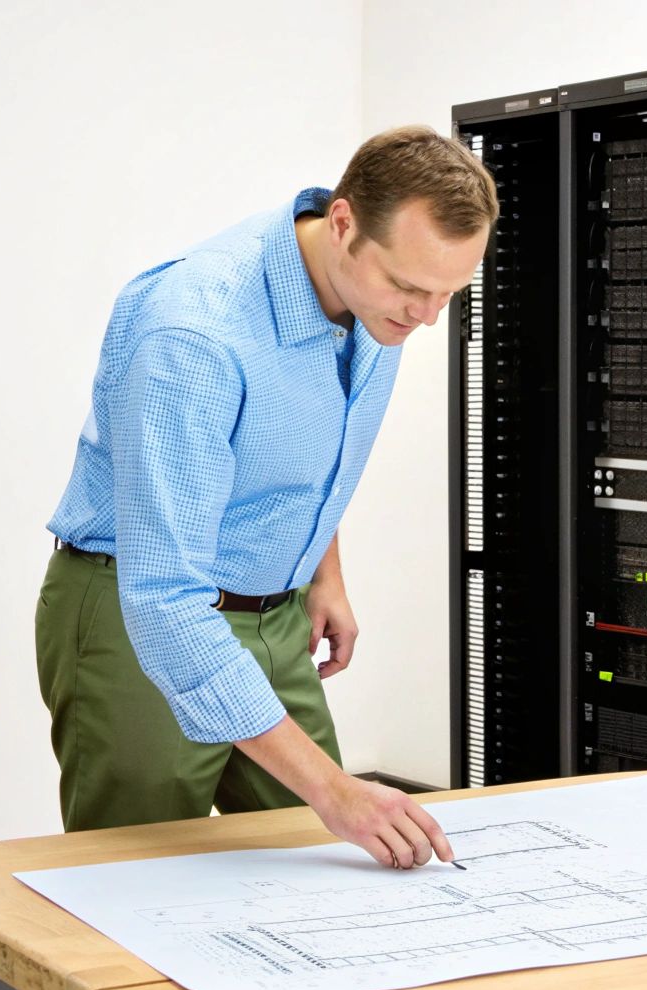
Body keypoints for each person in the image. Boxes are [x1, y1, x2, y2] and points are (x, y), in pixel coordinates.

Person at [35, 126, 495, 870]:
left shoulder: (375, 299)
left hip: (276, 614)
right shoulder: (194, 334)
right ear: (342, 224)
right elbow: (164, 598)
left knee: (334, 867)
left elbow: (299, 447)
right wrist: (337, 790)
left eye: (449, 292)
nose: (426, 316)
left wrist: (324, 573)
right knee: (141, 888)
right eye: (410, 288)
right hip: (137, 614)